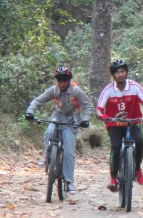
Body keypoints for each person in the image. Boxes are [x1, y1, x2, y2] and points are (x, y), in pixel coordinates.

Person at [26, 66, 93, 195]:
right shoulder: (54, 90)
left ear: (69, 80)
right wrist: (30, 112)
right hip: (58, 116)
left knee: (69, 150)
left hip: (72, 120)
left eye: (64, 81)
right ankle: (47, 155)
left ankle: (69, 182)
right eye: (59, 81)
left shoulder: (76, 91)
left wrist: (85, 119)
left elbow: (88, 106)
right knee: (49, 132)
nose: (62, 84)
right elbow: (37, 101)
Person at [96, 59, 143, 190]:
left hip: (133, 122)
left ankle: (137, 169)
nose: (120, 74)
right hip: (114, 123)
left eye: (122, 71)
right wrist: (101, 115)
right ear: (113, 75)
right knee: (116, 146)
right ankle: (113, 177)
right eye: (117, 72)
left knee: (139, 141)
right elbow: (99, 108)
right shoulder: (108, 90)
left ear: (127, 72)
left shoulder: (135, 87)